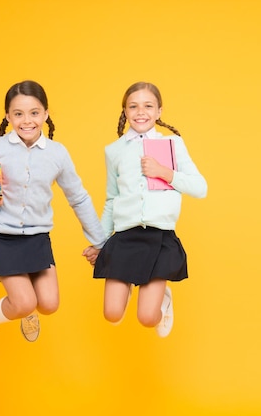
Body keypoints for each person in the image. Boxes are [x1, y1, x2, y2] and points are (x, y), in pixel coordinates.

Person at [0, 80, 105, 360]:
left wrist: (101, 242)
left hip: (37, 238)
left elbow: (77, 197)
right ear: (8, 116)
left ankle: (25, 311)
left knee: (49, 304)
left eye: (34, 112)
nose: (26, 120)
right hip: (1, 235)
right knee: (24, 301)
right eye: (18, 114)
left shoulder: (57, 154)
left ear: (46, 114)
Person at [82, 81, 207, 337]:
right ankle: (130, 283)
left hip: (159, 237)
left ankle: (163, 299)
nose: (141, 112)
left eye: (148, 106)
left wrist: (164, 173)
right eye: (134, 106)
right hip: (125, 237)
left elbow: (200, 187)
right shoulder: (114, 151)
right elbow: (111, 200)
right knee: (112, 314)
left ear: (159, 111)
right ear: (125, 111)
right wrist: (99, 243)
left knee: (147, 318)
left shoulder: (172, 145)